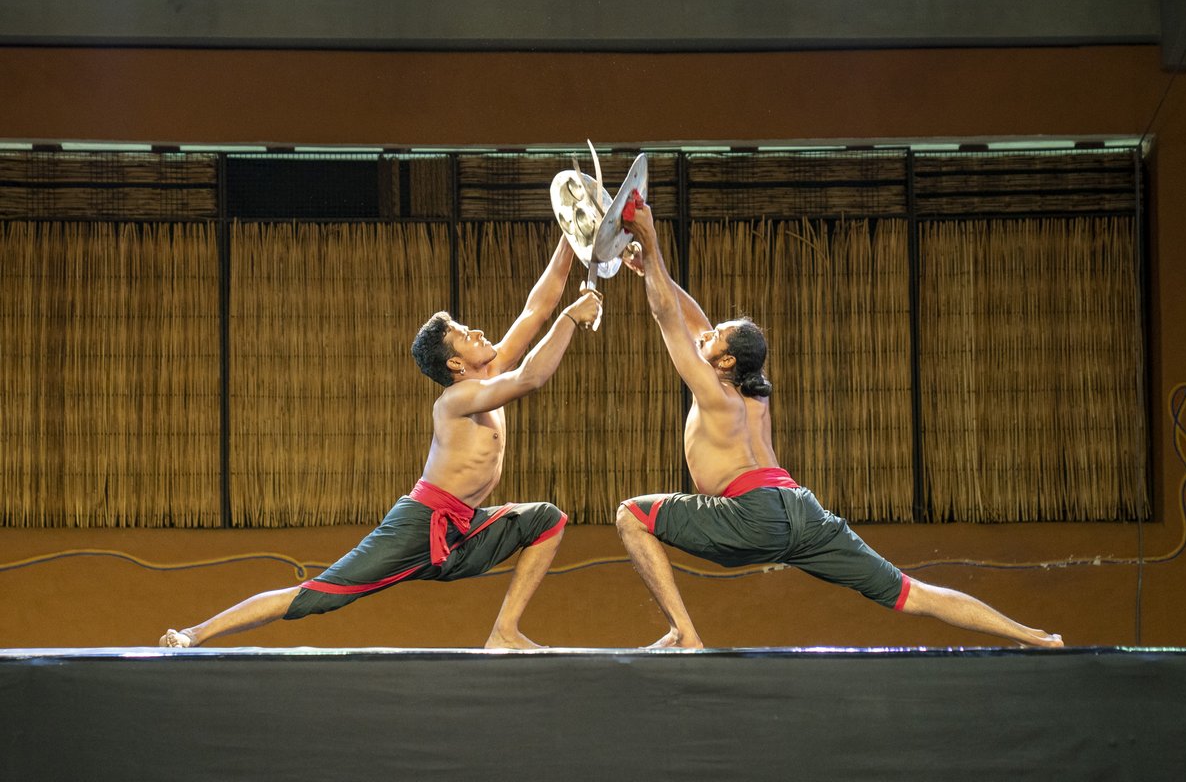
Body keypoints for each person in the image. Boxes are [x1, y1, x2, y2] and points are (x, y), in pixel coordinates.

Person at [615, 203, 1063, 650]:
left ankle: (684, 635)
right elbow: (689, 317)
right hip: (804, 513)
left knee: (631, 516)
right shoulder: (753, 395)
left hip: (751, 516)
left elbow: (667, 316)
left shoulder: (714, 393)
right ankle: (1036, 637)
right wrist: (650, 269)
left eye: (714, 338)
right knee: (908, 591)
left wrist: (651, 242)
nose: (705, 336)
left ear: (727, 361)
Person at [160, 236, 602, 650]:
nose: (480, 333)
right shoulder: (458, 399)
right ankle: (192, 635)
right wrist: (570, 319)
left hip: (462, 529)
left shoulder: (488, 371)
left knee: (545, 520)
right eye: (467, 336)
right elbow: (532, 377)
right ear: (454, 363)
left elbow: (537, 307)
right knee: (317, 596)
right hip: (419, 525)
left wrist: (571, 237)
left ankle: (504, 632)